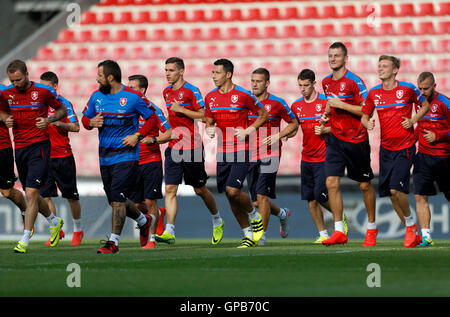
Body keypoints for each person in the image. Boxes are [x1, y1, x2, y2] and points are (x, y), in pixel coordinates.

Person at [81, 60, 170, 254]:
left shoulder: (133, 97)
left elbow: (152, 118)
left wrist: (137, 136)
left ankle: (113, 243)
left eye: (100, 75)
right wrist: (91, 122)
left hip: (127, 156)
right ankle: (144, 220)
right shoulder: (96, 97)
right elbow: (85, 119)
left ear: (110, 78)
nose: (97, 78)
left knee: (119, 198)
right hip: (105, 156)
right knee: (113, 200)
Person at [361, 55, 429, 247]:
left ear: (395, 70)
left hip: (405, 147)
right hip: (386, 149)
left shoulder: (407, 89)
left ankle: (410, 226)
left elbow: (425, 106)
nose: (380, 68)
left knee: (395, 189)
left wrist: (413, 120)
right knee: (390, 194)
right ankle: (411, 228)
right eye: (379, 65)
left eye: (385, 66)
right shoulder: (374, 93)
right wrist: (368, 123)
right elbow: (364, 117)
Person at [0, 59, 67, 253]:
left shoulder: (43, 92)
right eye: (12, 81)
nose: (15, 84)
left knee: (31, 193)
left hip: (39, 147)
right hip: (19, 149)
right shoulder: (7, 94)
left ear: (27, 74)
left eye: (19, 80)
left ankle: (24, 239)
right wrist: (6, 118)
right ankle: (55, 221)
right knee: (33, 193)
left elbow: (61, 109)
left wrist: (48, 119)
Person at [156, 57, 224, 245]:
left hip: (192, 147)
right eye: (166, 70)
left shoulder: (191, 91)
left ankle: (217, 219)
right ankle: (170, 231)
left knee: (200, 190)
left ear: (181, 71)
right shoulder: (166, 92)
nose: (167, 73)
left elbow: (206, 116)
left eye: (171, 70)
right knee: (170, 189)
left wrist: (183, 110)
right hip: (174, 147)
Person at [204, 58, 269, 248]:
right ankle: (247, 234)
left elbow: (263, 114)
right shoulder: (210, 97)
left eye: (217, 72)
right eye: (213, 72)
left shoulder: (242, 95)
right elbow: (209, 120)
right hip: (222, 152)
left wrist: (249, 130)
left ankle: (254, 216)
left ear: (228, 74)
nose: (213, 76)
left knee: (234, 190)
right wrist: (209, 128)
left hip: (242, 150)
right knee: (229, 195)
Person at [320, 42, 376, 246]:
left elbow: (366, 108)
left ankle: (371, 227)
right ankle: (338, 230)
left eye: (336, 55)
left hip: (356, 140)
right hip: (335, 139)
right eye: (330, 55)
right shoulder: (326, 82)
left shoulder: (355, 81)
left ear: (345, 58)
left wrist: (340, 105)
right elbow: (330, 104)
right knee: (331, 183)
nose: (332, 59)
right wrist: (325, 116)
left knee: (364, 185)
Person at [290, 69, 348, 243]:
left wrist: (326, 129)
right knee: (310, 199)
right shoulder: (296, 106)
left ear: (314, 84)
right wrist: (287, 134)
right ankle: (322, 234)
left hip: (325, 156)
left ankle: (339, 217)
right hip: (306, 156)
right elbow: (295, 126)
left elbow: (342, 125)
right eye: (300, 85)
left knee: (321, 194)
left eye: (306, 85)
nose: (303, 89)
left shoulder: (325, 102)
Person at [247, 68, 298, 245]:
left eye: (258, 81)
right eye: (252, 80)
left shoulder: (277, 103)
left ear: (267, 83)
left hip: (271, 153)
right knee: (256, 202)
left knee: (261, 196)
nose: (254, 84)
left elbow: (294, 123)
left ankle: (261, 236)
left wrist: (278, 135)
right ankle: (282, 213)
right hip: (249, 155)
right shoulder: (246, 100)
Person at [39, 71, 83, 246]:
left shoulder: (64, 104)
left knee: (71, 197)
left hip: (63, 157)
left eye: (46, 86)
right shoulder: (39, 105)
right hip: (44, 157)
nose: (43, 90)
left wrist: (57, 123)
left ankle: (78, 230)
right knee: (45, 196)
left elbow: (76, 127)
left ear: (55, 86)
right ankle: (55, 228)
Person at [127, 74, 171, 249]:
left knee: (150, 200)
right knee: (134, 204)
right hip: (131, 162)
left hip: (151, 161)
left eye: (133, 87)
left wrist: (153, 140)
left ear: (142, 90)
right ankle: (156, 215)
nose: (129, 90)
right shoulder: (126, 110)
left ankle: (151, 240)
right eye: (127, 87)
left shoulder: (153, 110)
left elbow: (169, 133)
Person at [413, 72, 450, 246]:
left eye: (426, 88)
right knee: (420, 196)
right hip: (423, 157)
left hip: (443, 157)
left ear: (434, 86)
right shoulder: (419, 102)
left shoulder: (445, 103)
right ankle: (426, 236)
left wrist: (438, 135)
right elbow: (419, 126)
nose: (422, 92)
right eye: (420, 88)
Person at [0, 82, 29, 229]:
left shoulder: (4, 91)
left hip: (2, 147)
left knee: (6, 192)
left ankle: (25, 211)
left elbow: (14, 112)